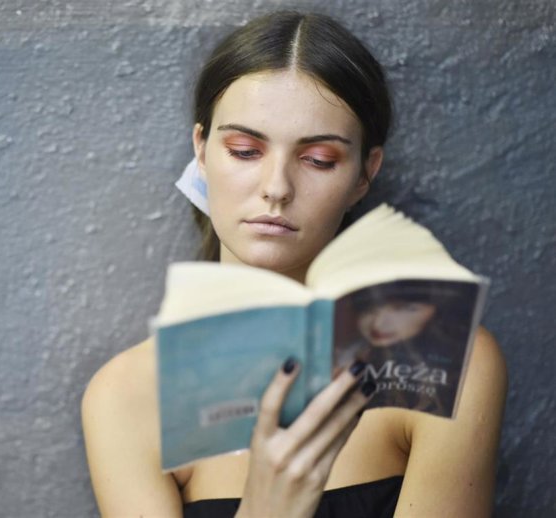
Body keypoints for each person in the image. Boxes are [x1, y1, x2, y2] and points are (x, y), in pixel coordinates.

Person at [82, 10, 507, 517]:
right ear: (201, 150)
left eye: (319, 159)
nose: (277, 188)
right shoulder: (125, 398)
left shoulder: (441, 362)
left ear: (364, 173)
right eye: (244, 150)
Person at [335, 280, 482, 417]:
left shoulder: (469, 359)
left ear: (438, 308)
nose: (378, 323)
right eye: (368, 307)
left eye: (404, 309)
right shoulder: (343, 357)